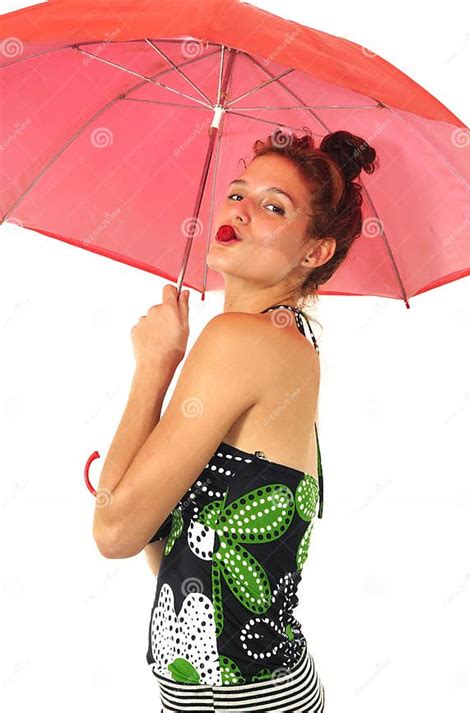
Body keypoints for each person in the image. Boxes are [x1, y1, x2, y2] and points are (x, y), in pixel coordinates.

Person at [143, 127, 378, 712]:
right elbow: (171, 560)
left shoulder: (243, 340)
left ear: (315, 251)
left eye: (274, 206)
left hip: (245, 699)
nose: (240, 211)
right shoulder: (282, 340)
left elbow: (113, 533)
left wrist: (151, 368)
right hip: (228, 690)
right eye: (238, 192)